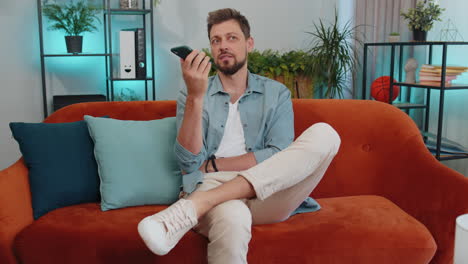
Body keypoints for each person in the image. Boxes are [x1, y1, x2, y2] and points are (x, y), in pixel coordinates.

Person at [138, 8, 341, 264]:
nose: (223, 45)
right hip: (210, 183)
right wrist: (196, 96)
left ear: (249, 43)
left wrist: (214, 164)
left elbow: (279, 155)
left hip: (269, 191)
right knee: (232, 218)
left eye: (232, 38)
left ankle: (195, 206)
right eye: (216, 40)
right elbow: (190, 164)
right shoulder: (190, 94)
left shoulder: (276, 93)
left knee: (326, 134)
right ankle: (203, 202)